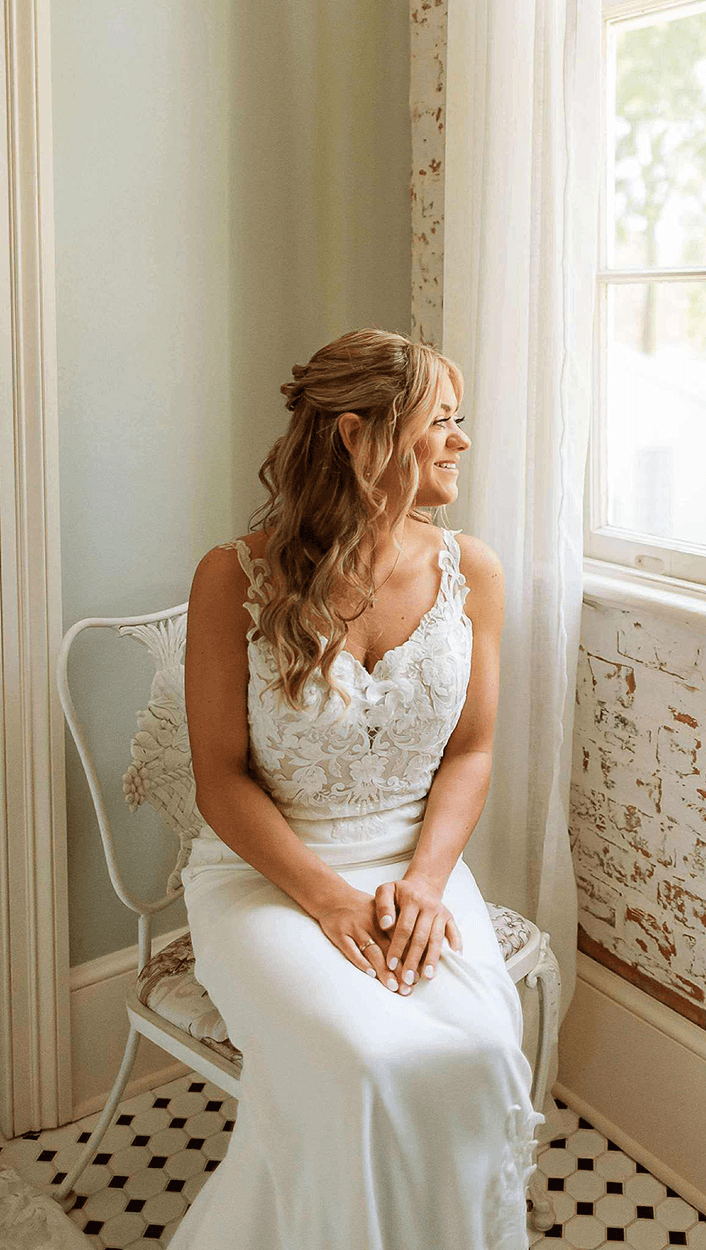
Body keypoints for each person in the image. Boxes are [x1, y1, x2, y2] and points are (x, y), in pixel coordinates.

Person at [167, 328, 545, 1250]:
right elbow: (219, 778)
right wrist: (327, 898)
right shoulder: (234, 576)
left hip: (416, 860)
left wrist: (423, 884)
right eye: (441, 422)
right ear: (359, 435)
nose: (461, 441)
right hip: (267, 873)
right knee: (364, 1062)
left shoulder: (474, 572)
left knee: (480, 1050)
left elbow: (470, 752)